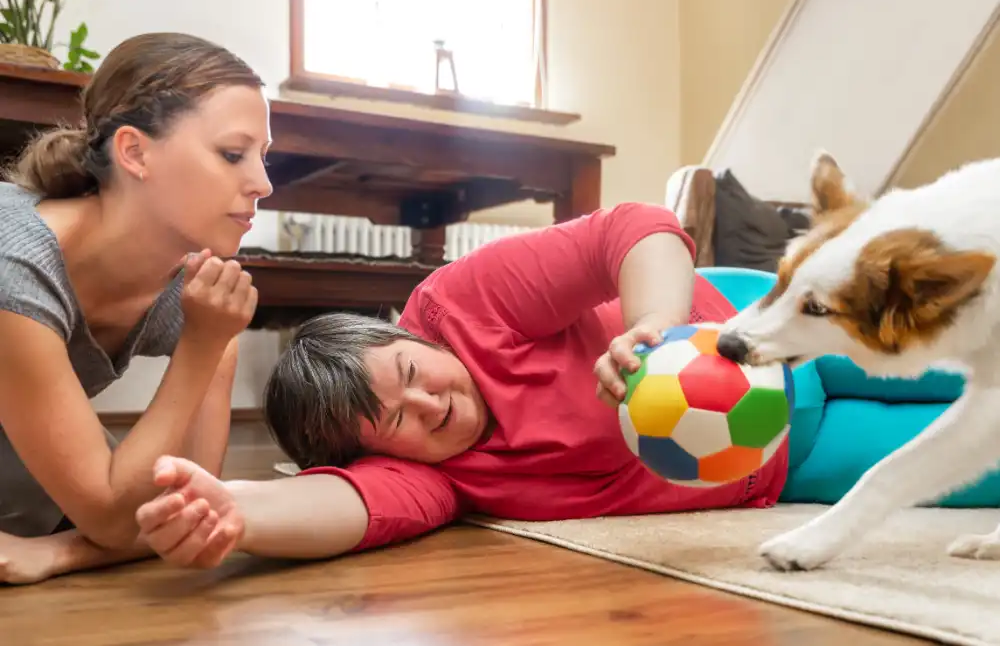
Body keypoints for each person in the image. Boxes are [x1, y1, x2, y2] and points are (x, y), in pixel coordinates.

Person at [130, 200, 791, 570]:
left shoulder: (461, 305)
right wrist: (235, 510)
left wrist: (658, 327)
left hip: (756, 328)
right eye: (398, 422)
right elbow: (345, 506)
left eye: (414, 374)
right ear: (386, 455)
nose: (430, 404)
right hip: (784, 466)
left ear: (414, 340)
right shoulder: (440, 477)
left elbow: (629, 229)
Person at [0, 32, 272, 584]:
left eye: (264, 158)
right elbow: (114, 518)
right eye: (231, 154)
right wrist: (201, 346)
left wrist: (57, 553)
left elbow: (196, 513)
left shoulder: (189, 291)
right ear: (135, 151)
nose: (263, 184)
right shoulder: (14, 264)